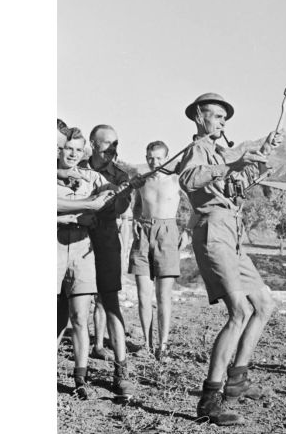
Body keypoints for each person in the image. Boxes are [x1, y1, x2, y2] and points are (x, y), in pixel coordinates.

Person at [178, 93, 282, 426]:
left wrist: (265, 150)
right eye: (217, 116)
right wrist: (233, 164)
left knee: (263, 304)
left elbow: (238, 183)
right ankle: (209, 400)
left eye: (225, 118)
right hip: (213, 231)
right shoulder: (196, 150)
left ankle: (237, 379)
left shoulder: (220, 153)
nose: (222, 123)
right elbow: (188, 179)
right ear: (199, 116)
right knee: (240, 311)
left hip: (232, 233)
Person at [57, 127, 116, 400]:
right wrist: (83, 209)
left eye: (79, 150)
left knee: (81, 316)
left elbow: (111, 191)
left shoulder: (90, 176)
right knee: (55, 318)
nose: (72, 153)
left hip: (82, 250)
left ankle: (80, 377)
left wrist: (108, 192)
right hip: (54, 248)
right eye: (69, 148)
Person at [82, 124, 136, 399]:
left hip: (105, 241)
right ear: (93, 143)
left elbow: (118, 210)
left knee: (111, 304)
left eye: (117, 145)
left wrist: (122, 193)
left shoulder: (122, 176)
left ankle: (120, 370)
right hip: (75, 238)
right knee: (64, 306)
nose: (113, 150)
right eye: (108, 144)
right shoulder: (75, 168)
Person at [128, 140, 189, 360]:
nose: (154, 162)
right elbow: (137, 203)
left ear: (167, 157)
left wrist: (187, 231)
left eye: (159, 158)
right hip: (144, 233)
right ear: (146, 158)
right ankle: (146, 344)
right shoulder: (142, 181)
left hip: (168, 232)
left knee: (163, 296)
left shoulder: (176, 179)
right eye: (150, 158)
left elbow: (197, 205)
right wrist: (135, 219)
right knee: (143, 295)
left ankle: (163, 346)